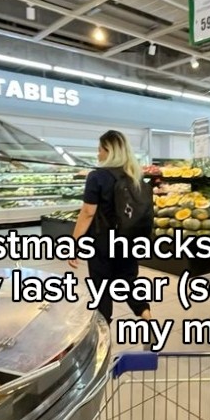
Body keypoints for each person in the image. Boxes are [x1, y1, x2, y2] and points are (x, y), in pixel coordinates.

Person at [70, 129, 152, 326]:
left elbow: (88, 213)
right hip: (129, 239)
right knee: (129, 282)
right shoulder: (134, 175)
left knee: (102, 287)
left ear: (109, 151)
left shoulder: (97, 177)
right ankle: (148, 319)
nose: (98, 154)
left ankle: (103, 332)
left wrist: (74, 243)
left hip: (103, 242)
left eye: (99, 149)